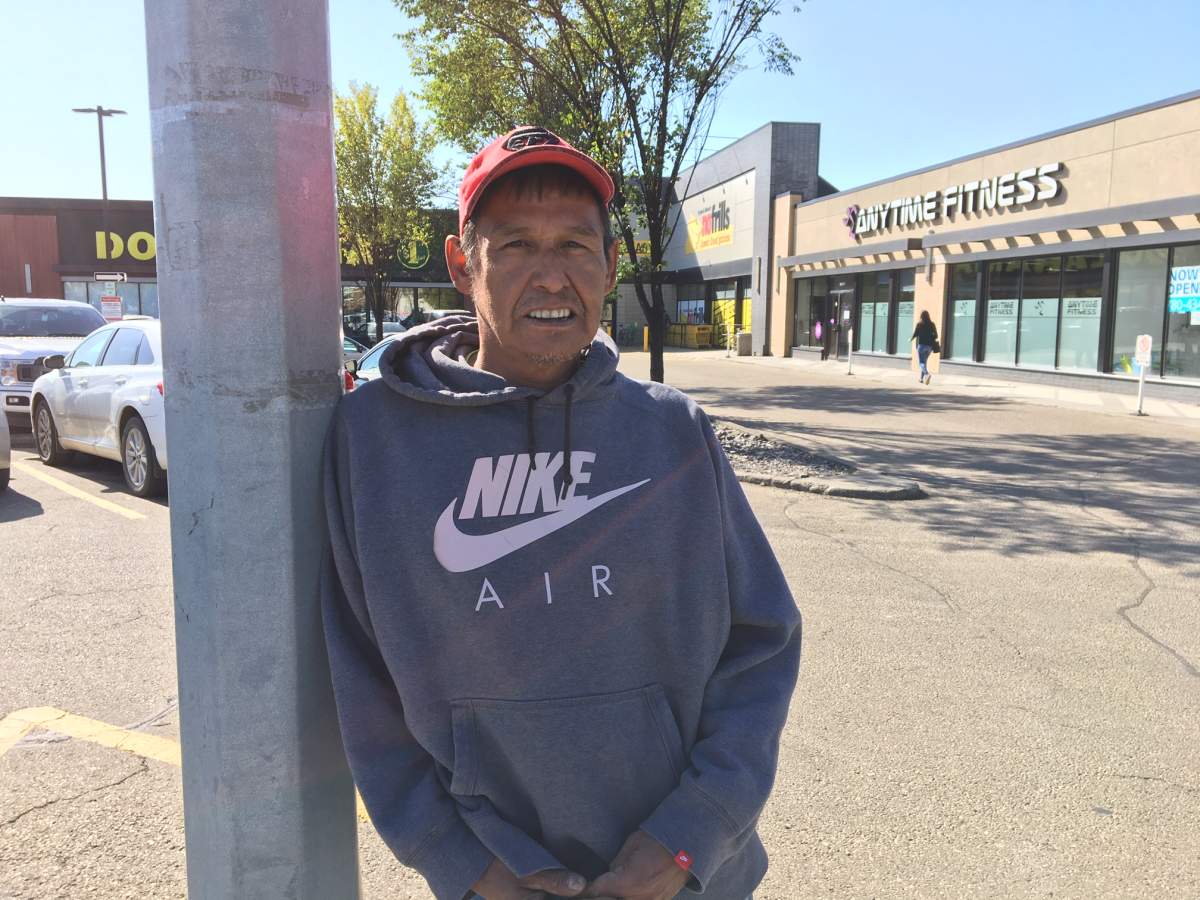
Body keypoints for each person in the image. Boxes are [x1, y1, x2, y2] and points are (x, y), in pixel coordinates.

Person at [321, 126, 801, 900]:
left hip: (686, 880)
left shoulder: (674, 432)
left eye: (576, 247)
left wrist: (692, 833)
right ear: (461, 265)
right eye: (515, 246)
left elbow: (762, 643)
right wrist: (463, 866)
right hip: (494, 878)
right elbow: (359, 680)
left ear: (610, 267)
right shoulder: (373, 441)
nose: (551, 277)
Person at [911, 309, 939, 385]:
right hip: (929, 347)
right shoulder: (932, 324)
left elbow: (915, 334)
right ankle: (921, 379)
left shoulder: (919, 324)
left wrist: (911, 339)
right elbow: (936, 335)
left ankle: (926, 374)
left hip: (921, 346)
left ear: (921, 316)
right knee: (924, 362)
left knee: (921, 363)